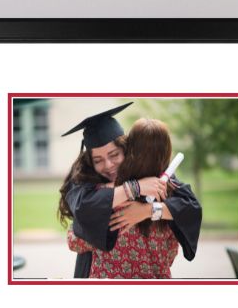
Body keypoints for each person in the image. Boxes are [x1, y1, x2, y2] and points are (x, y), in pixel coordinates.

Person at [56, 103, 202, 279]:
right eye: (98, 160)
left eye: (114, 155)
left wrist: (148, 210)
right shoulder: (85, 181)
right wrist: (135, 188)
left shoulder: (159, 182)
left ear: (127, 149)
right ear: (89, 162)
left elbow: (74, 239)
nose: (108, 165)